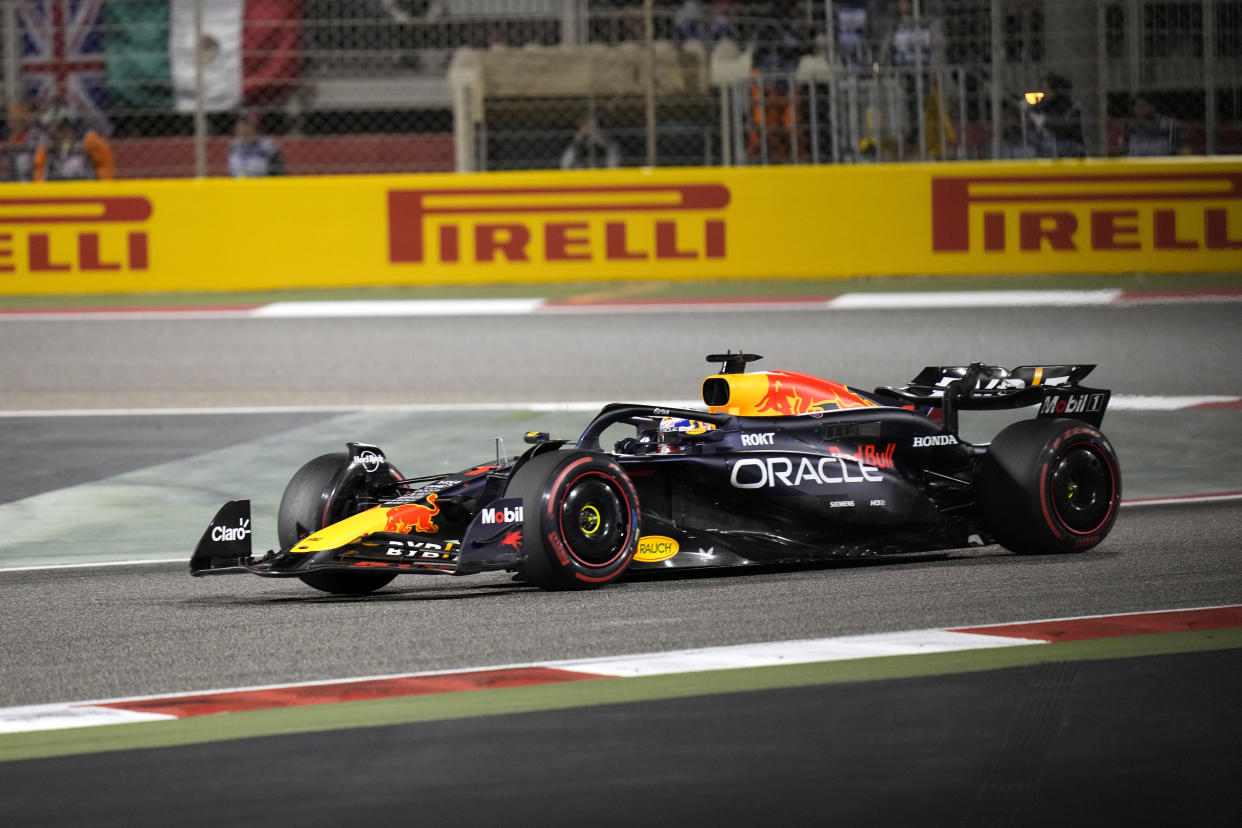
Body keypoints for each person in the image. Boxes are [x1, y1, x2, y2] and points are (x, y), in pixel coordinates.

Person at [33, 112, 115, 181]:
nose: (52, 131)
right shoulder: (48, 145)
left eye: (58, 127)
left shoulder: (88, 141)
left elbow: (105, 167)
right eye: (50, 127)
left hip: (84, 188)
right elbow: (39, 172)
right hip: (56, 188)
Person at [1027, 72, 1085, 158]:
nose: (1044, 93)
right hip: (1046, 149)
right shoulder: (1043, 106)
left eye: (1046, 89)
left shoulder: (1071, 107)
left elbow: (1065, 130)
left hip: (1067, 148)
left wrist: (1045, 122)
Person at [1121, 92, 1186, 157]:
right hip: (1136, 163)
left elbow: (1180, 147)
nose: (1140, 109)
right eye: (1137, 106)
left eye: (1143, 105)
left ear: (1152, 106)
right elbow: (1124, 148)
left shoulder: (1168, 124)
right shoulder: (1130, 125)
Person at [228, 110, 285, 177]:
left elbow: (278, 168)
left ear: (254, 126)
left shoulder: (267, 145)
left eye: (245, 124)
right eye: (239, 123)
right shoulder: (235, 144)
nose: (240, 126)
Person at [3, 102, 43, 182]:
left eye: (18, 121)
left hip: (31, 176)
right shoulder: (10, 137)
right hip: (12, 178)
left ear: (25, 121)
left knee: (22, 159)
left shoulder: (35, 135)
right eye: (12, 121)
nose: (15, 124)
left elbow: (36, 151)